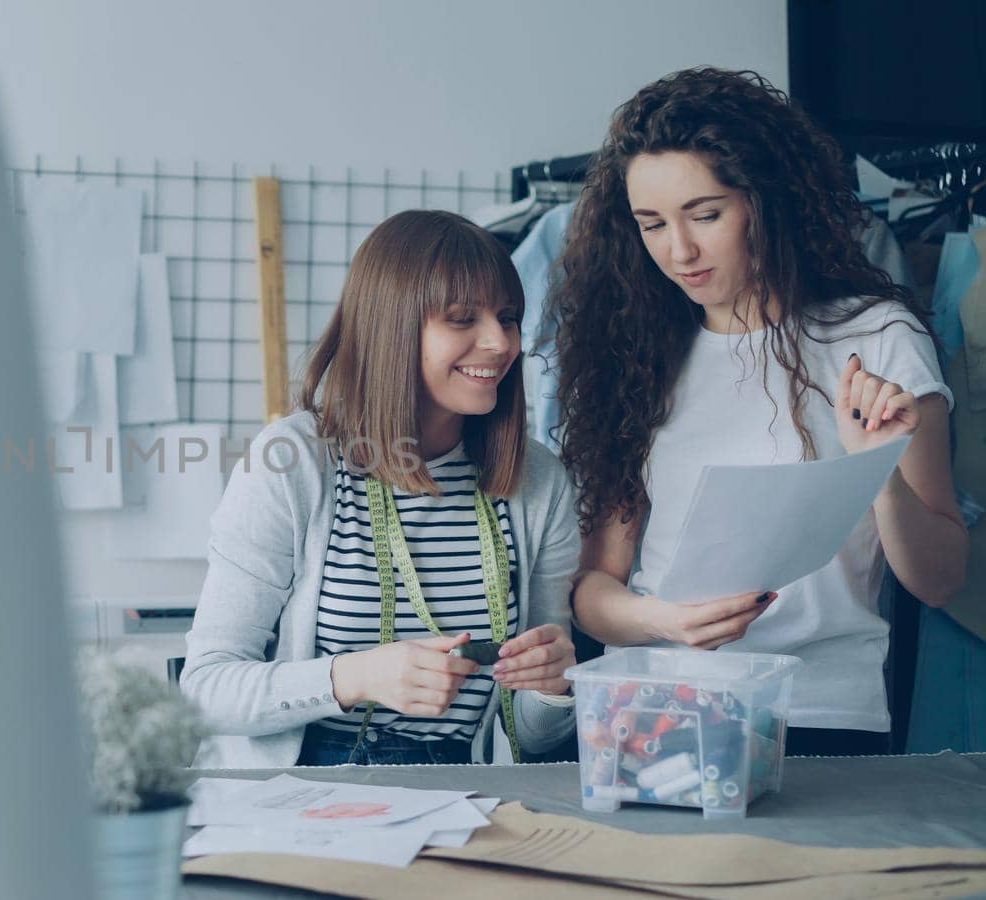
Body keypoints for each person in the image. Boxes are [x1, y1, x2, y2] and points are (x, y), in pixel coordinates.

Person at [553, 68, 968, 757]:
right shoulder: (636, 355)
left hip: (822, 714)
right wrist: (663, 621)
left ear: (768, 201)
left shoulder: (876, 337)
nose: (678, 251)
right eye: (651, 224)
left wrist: (878, 471)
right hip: (653, 713)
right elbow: (595, 590)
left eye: (705, 215)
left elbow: (940, 579)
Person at [181, 210, 580, 768]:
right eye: (462, 319)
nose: (499, 342)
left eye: (508, 317)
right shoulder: (293, 464)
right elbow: (205, 689)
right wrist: (354, 677)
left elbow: (529, 740)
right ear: (391, 327)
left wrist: (553, 688)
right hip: (308, 790)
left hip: (472, 790)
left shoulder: (538, 483)